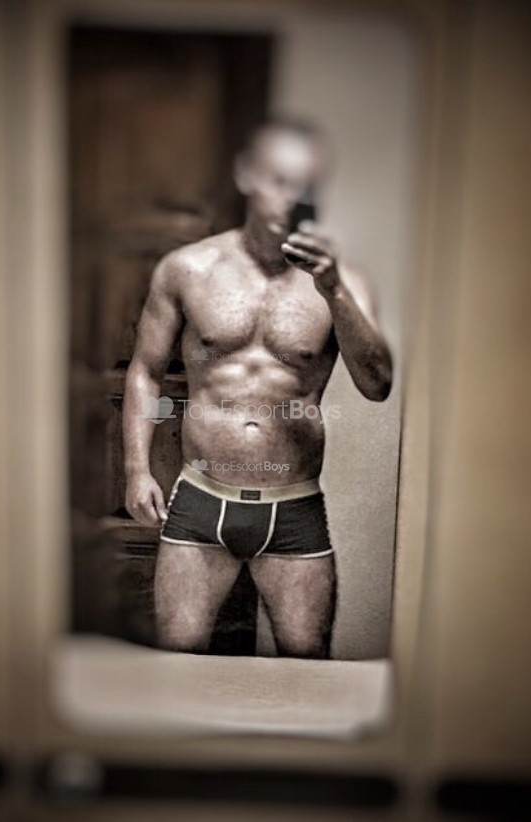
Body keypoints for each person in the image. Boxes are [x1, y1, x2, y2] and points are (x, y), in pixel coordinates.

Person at [123, 118, 392, 658]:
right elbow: (145, 371)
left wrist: (333, 291)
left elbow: (377, 384)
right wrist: (136, 470)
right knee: (177, 665)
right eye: (280, 181)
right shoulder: (187, 269)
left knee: (306, 669)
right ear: (247, 175)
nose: (292, 198)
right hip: (200, 500)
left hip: (293, 507)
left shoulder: (344, 282)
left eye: (306, 185)